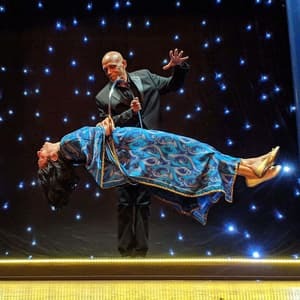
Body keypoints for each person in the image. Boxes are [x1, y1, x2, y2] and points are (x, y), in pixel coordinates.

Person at [37, 118, 281, 233]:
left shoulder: (70, 149)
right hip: (137, 148)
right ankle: (250, 169)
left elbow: (95, 148)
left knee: (194, 151)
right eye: (41, 158)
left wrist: (104, 129)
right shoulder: (67, 146)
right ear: (54, 159)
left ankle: (250, 168)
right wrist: (104, 130)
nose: (39, 152)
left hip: (136, 147)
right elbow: (97, 150)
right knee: (194, 152)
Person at [95, 49, 190, 257]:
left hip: (149, 151)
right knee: (125, 202)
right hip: (124, 154)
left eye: (113, 66)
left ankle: (141, 253)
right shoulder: (103, 97)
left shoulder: (145, 77)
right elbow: (107, 124)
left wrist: (178, 68)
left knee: (144, 202)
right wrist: (131, 112)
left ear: (124, 64)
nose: (109, 72)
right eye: (105, 69)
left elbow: (172, 85)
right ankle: (124, 253)